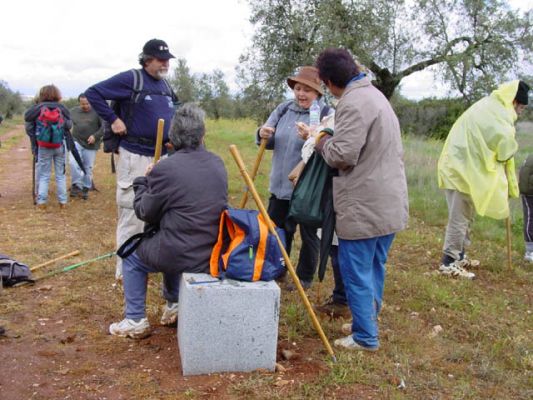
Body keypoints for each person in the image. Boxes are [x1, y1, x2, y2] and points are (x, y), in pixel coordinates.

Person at [314, 48, 409, 351]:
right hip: (387, 201)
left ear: (329, 82)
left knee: (355, 270)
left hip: (364, 203)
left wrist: (322, 141)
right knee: (374, 266)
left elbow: (343, 154)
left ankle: (365, 337)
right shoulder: (375, 95)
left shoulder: (353, 103)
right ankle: (365, 320)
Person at [109, 103, 228, 338]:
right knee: (169, 238)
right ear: (202, 135)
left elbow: (145, 212)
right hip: (210, 251)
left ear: (172, 138)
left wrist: (144, 181)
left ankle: (135, 320)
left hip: (182, 252)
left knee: (131, 257)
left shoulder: (166, 168)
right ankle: (173, 305)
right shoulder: (217, 163)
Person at [85, 39, 178, 281]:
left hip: (162, 156)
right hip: (134, 154)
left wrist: (174, 138)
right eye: (161, 59)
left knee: (157, 211)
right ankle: (125, 270)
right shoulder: (131, 79)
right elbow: (93, 93)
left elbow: (173, 111)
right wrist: (114, 120)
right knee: (132, 211)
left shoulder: (165, 85)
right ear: (147, 60)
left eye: (168, 59)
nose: (166, 63)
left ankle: (146, 263)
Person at [437, 80, 530, 279]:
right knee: (459, 218)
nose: (521, 111)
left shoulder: (490, 106)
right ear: (513, 101)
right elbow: (505, 151)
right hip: (461, 169)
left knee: (466, 215)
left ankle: (460, 256)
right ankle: (449, 262)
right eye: (521, 107)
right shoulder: (500, 115)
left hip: (462, 166)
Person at [257, 66, 333, 290]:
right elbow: (268, 140)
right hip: (280, 185)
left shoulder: (326, 113)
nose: (301, 94)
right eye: (298, 88)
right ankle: (277, 270)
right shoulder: (283, 110)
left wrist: (311, 136)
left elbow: (329, 148)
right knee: (278, 232)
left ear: (318, 92)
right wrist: (262, 133)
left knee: (309, 234)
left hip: (308, 188)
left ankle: (304, 278)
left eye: (307, 90)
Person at [24, 85, 72, 209]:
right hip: (59, 145)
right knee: (60, 175)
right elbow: (69, 125)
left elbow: (27, 118)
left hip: (43, 146)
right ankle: (63, 202)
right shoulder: (61, 108)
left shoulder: (38, 108)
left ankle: (41, 202)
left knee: (44, 175)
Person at [69, 94, 103, 200]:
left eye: (87, 103)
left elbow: (104, 127)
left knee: (88, 167)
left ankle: (85, 187)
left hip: (91, 144)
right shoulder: (73, 111)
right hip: (76, 141)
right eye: (83, 104)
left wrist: (95, 136)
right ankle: (76, 185)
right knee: (73, 163)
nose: (85, 106)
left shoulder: (98, 112)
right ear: (79, 102)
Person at [519, 154, 533, 262]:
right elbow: (524, 176)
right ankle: (529, 251)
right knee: (530, 219)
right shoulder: (530, 159)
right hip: (529, 194)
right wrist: (525, 192)